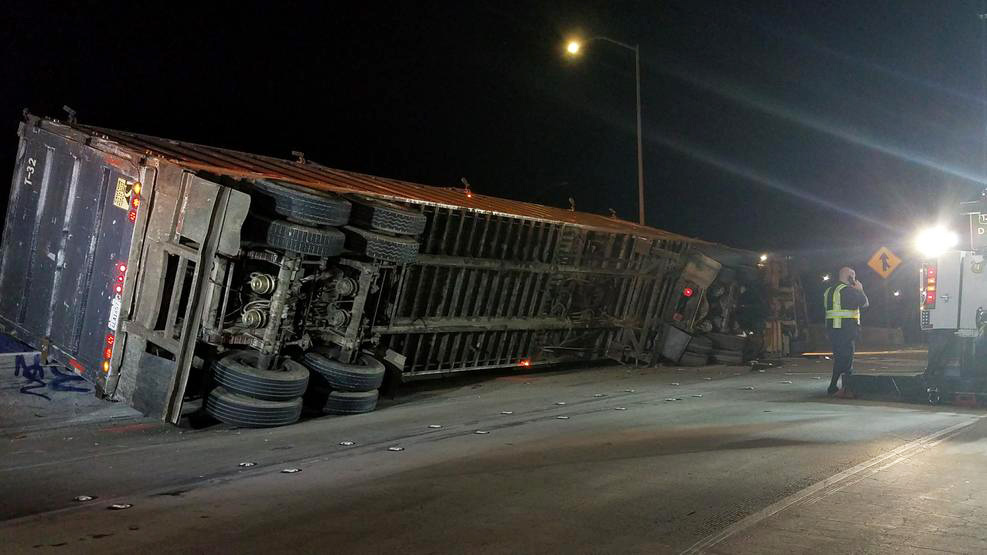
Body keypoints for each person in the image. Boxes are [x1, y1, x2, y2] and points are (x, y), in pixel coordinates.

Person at [824, 267, 869, 395]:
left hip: (833, 330)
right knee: (847, 360)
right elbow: (865, 303)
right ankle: (844, 387)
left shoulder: (829, 291)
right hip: (847, 330)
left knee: (839, 358)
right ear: (849, 276)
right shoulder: (848, 291)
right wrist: (860, 289)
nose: (854, 279)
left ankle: (836, 386)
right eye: (853, 276)